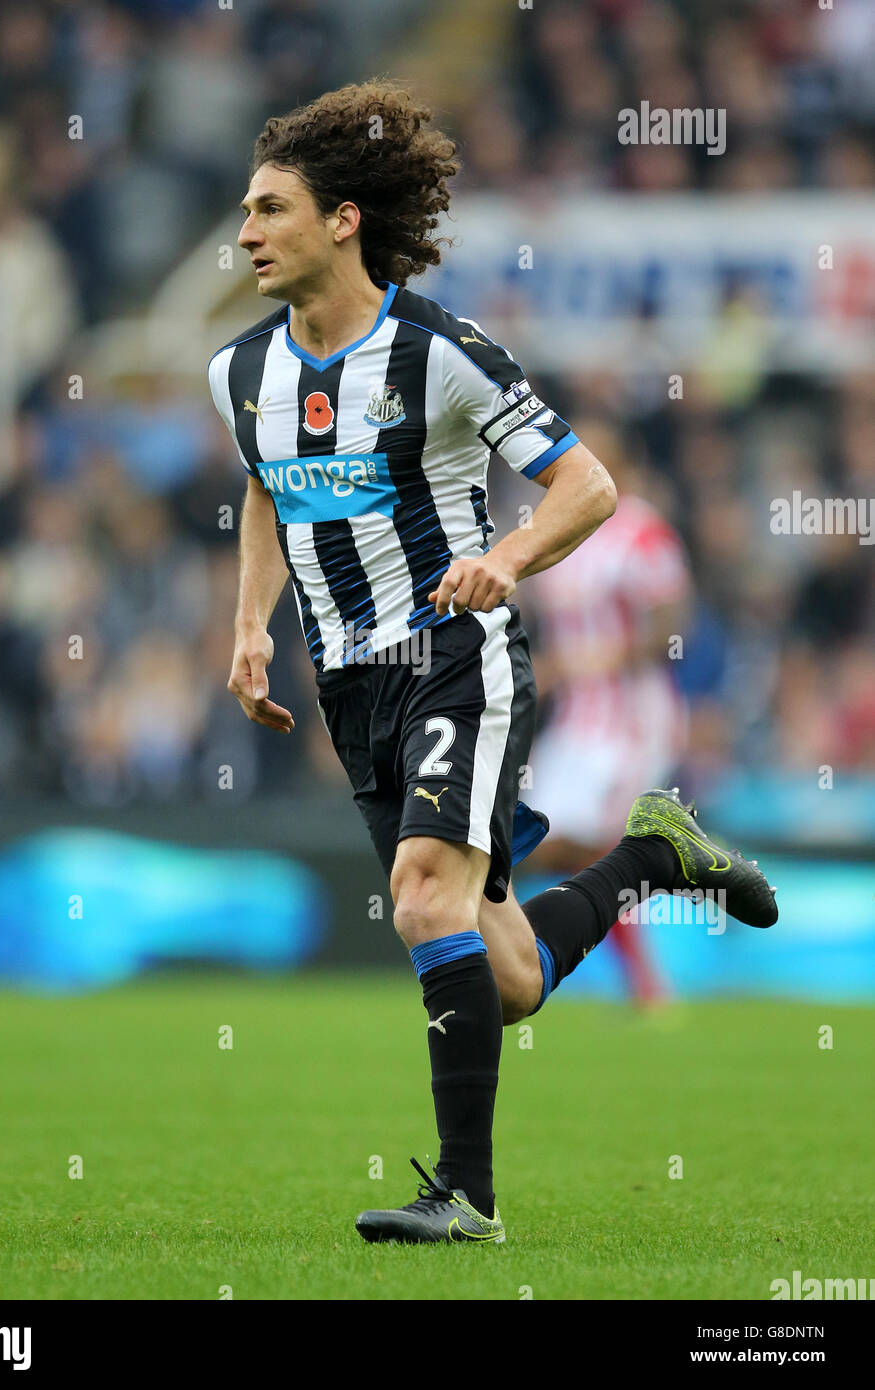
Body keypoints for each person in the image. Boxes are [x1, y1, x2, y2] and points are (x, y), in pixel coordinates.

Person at [209, 81, 777, 1245]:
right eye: (245, 212)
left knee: (423, 893)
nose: (246, 233)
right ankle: (649, 854)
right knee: (506, 976)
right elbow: (266, 493)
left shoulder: (440, 352)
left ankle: (464, 1196)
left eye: (269, 209)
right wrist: (248, 625)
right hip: (346, 682)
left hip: (455, 657)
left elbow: (588, 485)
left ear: (342, 220)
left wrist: (504, 560)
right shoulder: (240, 373)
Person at [523, 424, 693, 1005]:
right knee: (538, 841)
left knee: (596, 843)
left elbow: (672, 628)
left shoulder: (643, 530)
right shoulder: (557, 530)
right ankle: (537, 962)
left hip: (630, 722)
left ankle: (645, 984)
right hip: (576, 720)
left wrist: (605, 656)